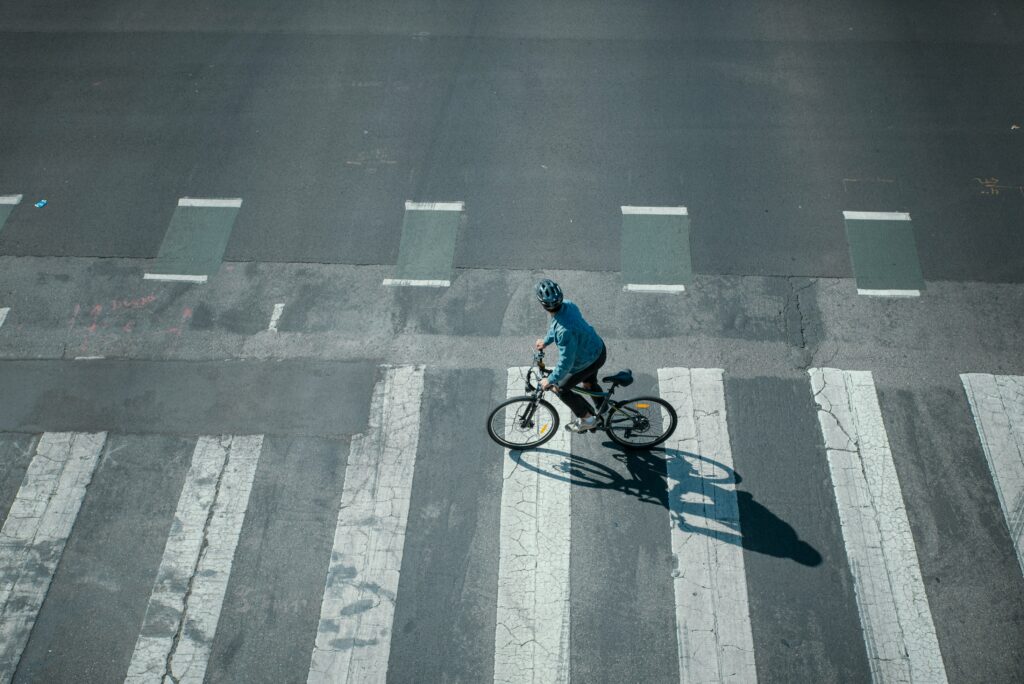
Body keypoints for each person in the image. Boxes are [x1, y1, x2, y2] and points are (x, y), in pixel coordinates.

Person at [533, 279, 607, 433]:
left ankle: (587, 419)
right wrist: (546, 342)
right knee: (588, 384)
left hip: (587, 360)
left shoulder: (563, 332)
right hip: (597, 349)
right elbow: (559, 324)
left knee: (560, 388)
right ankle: (604, 409)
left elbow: (566, 362)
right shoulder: (568, 305)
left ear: (543, 305)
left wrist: (551, 380)